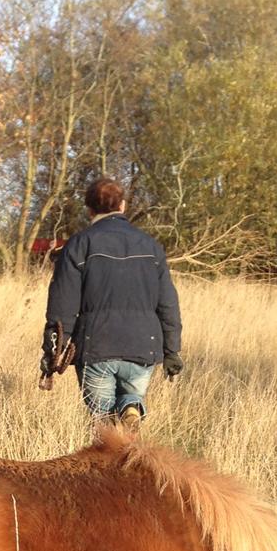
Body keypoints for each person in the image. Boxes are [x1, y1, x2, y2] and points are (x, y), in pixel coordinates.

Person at [41, 176, 182, 427]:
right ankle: (131, 405)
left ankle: (115, 432)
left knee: (103, 424)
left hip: (96, 347)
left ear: (90, 209)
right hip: (142, 347)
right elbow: (168, 304)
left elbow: (63, 306)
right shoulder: (151, 246)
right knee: (128, 415)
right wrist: (172, 351)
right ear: (123, 206)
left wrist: (52, 353)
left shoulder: (79, 244)